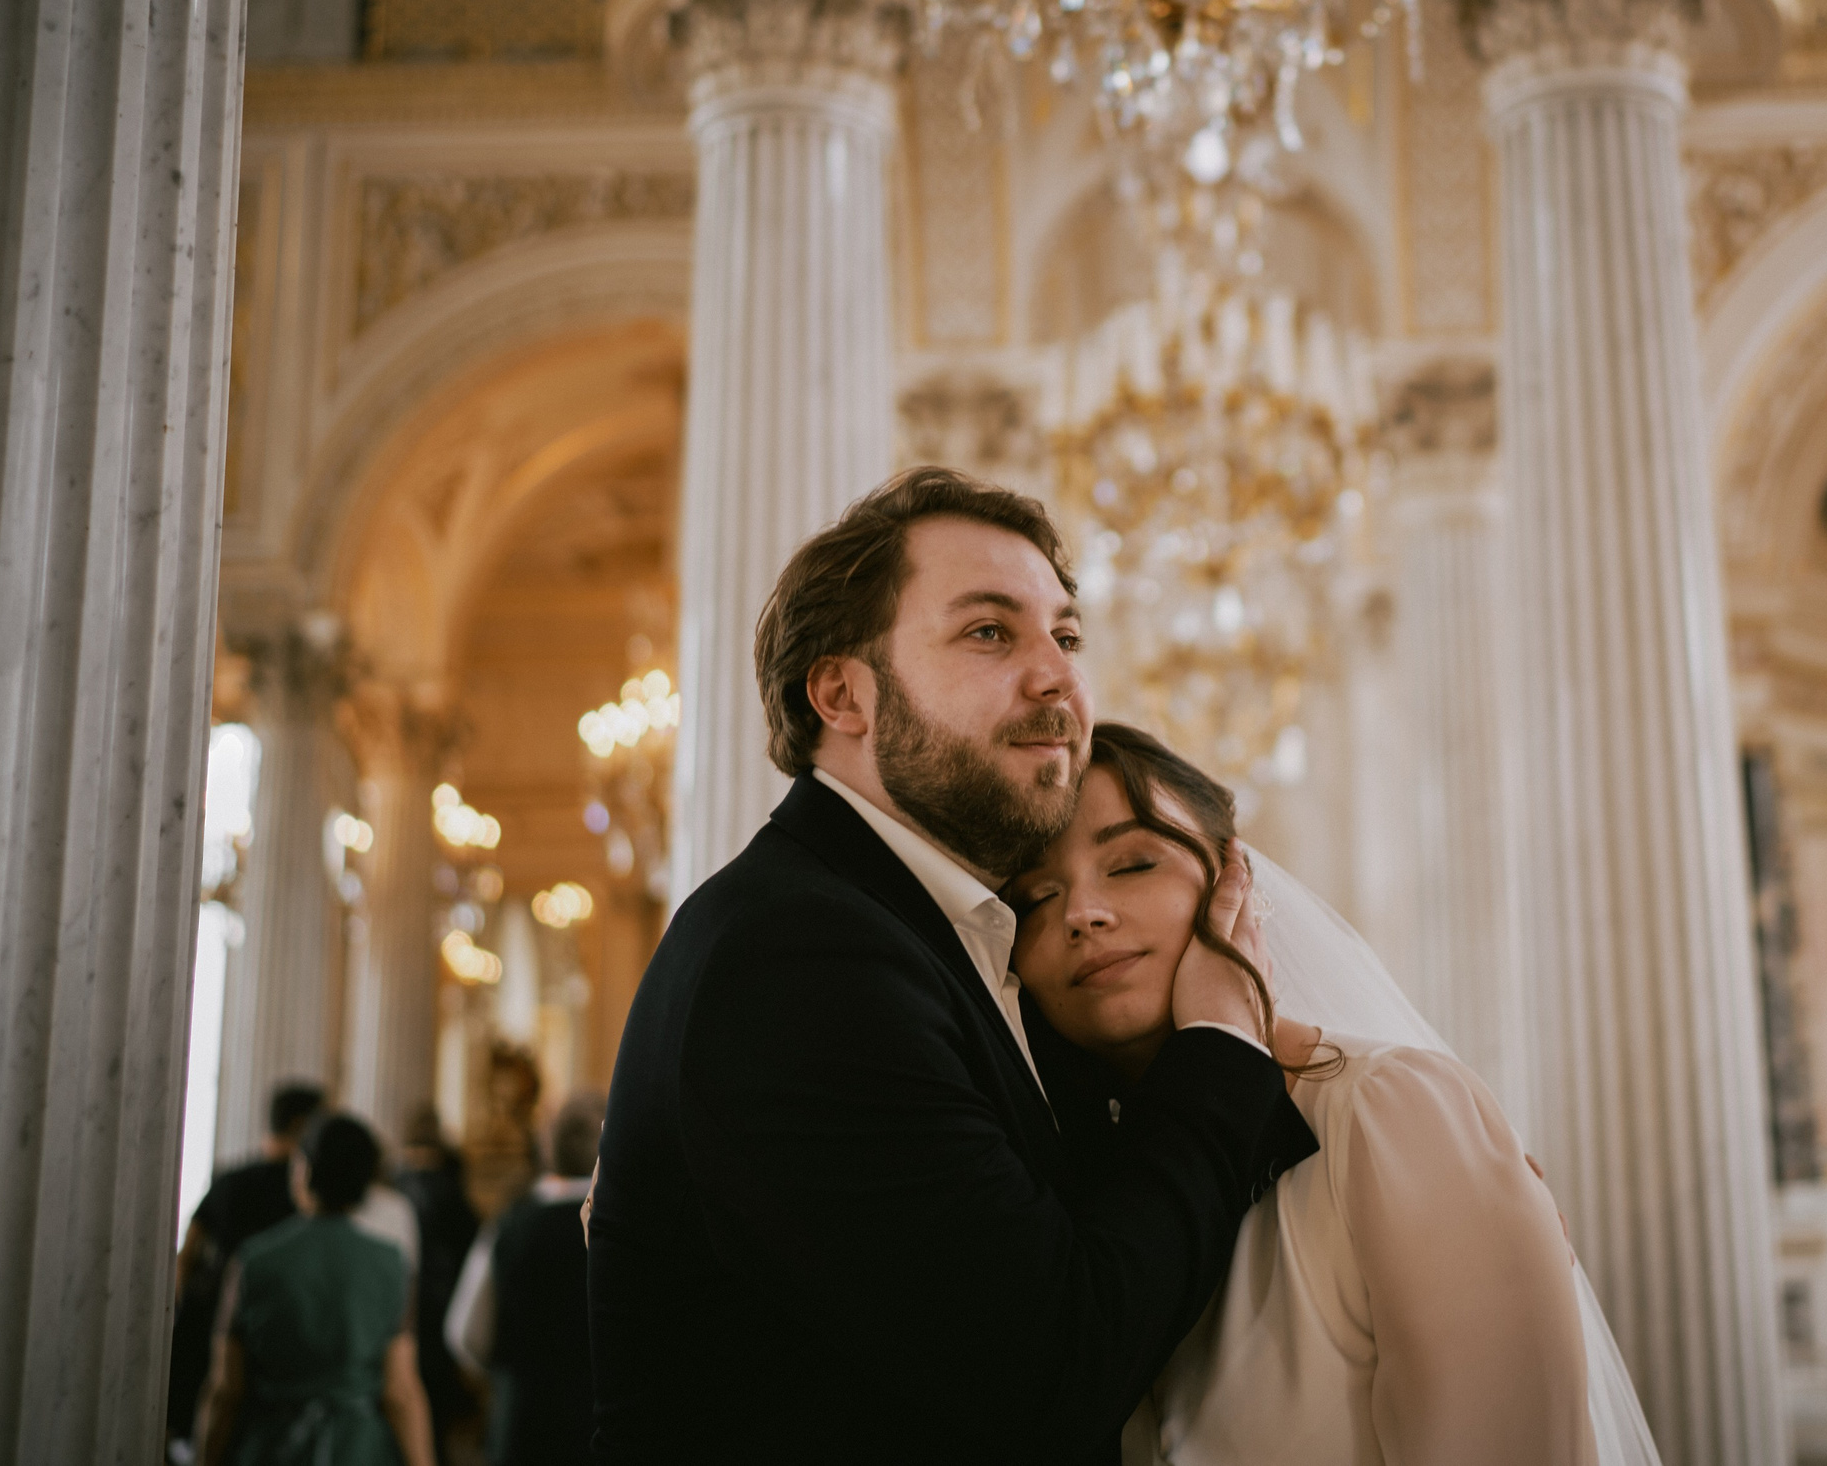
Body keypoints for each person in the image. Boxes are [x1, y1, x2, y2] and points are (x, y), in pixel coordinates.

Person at [586, 468, 1317, 1465]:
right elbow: (1053, 1364)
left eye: (1065, 636)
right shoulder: (798, 958)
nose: (1057, 679)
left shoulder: (934, 937)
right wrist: (1221, 1044)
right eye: (989, 632)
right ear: (844, 693)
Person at [1008, 724, 1655, 1466]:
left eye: (1133, 863)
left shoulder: (1393, 1111)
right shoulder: (1078, 1197)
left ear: (1234, 879)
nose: (1081, 912)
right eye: (1035, 897)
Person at [193, 1114, 439, 1466]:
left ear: (303, 1170)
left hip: (273, 1446)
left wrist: (205, 1457)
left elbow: (225, 1388)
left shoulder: (253, 1261)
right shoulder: (391, 1265)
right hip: (357, 1449)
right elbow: (401, 1391)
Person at [446, 1095, 605, 1466]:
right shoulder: (625, 1231)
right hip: (601, 1427)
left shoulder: (512, 1224)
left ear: (548, 1149)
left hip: (524, 1424)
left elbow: (467, 1333)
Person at [170, 1081, 329, 1450]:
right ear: (303, 1126)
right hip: (277, 1341)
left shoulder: (228, 1180)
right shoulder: (305, 1196)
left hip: (209, 1332)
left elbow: (185, 1257)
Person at [393, 1105, 480, 1459]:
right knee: (437, 1411)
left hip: (401, 1308)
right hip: (443, 1308)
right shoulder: (455, 1192)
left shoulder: (392, 1188)